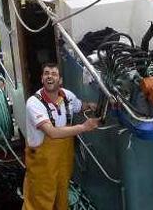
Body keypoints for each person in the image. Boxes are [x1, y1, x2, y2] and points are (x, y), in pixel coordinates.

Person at [23, 62, 99, 210]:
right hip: (42, 162)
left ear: (60, 80)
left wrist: (91, 105)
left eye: (54, 73)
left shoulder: (67, 96)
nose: (50, 76)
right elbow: (51, 132)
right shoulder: (34, 103)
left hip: (63, 158)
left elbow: (79, 106)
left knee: (62, 190)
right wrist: (83, 127)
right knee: (40, 198)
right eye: (46, 73)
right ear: (42, 79)